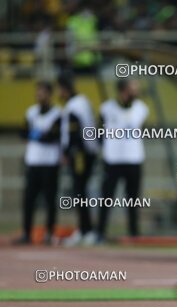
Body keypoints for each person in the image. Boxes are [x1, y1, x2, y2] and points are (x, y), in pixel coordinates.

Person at [96, 79, 148, 243]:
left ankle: (134, 234)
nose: (136, 91)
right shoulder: (106, 108)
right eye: (133, 88)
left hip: (134, 159)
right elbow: (98, 133)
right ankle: (100, 233)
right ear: (124, 90)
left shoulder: (141, 108)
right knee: (106, 197)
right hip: (112, 160)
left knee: (133, 199)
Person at [15, 81, 61, 245]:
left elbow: (52, 137)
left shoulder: (57, 113)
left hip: (50, 163)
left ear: (49, 94)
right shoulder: (31, 112)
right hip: (33, 162)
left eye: (42, 92)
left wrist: (34, 135)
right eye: (38, 92)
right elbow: (22, 133)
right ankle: (27, 233)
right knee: (29, 200)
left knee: (50, 200)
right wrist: (39, 135)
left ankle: (49, 233)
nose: (39, 95)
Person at [58, 73, 98, 246]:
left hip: (81, 153)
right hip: (88, 151)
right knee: (81, 192)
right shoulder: (83, 101)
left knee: (79, 191)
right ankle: (85, 229)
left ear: (65, 89)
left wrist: (67, 152)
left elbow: (75, 133)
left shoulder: (73, 106)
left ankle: (86, 230)